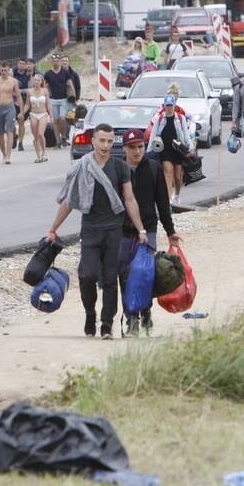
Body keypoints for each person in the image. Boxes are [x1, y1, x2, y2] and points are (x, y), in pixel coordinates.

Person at [47, 123, 147, 339]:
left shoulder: (120, 167)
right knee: (86, 275)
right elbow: (69, 202)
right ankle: (90, 313)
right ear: (93, 141)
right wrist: (54, 228)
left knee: (111, 279)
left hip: (113, 230)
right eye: (101, 140)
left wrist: (141, 228)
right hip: (90, 230)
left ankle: (106, 324)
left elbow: (129, 200)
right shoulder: (82, 166)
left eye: (110, 141)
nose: (105, 145)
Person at [119, 128, 179, 337]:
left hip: (148, 230)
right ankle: (131, 320)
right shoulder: (118, 170)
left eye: (140, 147)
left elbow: (163, 203)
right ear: (124, 148)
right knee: (125, 276)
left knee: (144, 274)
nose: (137, 152)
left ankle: (145, 311)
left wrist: (170, 231)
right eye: (132, 148)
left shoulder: (153, 168)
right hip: (123, 232)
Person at [145, 88, 195, 204]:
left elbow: (186, 135)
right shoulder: (160, 118)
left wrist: (191, 147)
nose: (169, 108)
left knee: (178, 176)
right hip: (165, 150)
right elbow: (153, 136)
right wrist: (148, 152)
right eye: (167, 105)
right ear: (164, 106)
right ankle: (168, 199)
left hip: (177, 149)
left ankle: (177, 194)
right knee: (168, 173)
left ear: (174, 105)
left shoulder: (180, 118)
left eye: (171, 105)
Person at [44, 54, 81, 148]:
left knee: (62, 118)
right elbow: (45, 87)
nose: (55, 62)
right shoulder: (48, 74)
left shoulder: (65, 72)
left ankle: (64, 136)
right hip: (53, 100)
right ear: (51, 62)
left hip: (63, 99)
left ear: (59, 61)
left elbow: (70, 85)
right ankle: (58, 141)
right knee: (55, 121)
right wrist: (45, 99)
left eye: (57, 61)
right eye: (54, 61)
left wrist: (74, 98)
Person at [26, 74, 51, 163]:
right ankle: (38, 155)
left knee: (40, 134)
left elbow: (48, 103)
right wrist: (22, 113)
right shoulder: (29, 91)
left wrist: (51, 115)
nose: (36, 82)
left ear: (41, 82)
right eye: (35, 80)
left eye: (38, 80)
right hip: (33, 114)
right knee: (35, 136)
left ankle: (44, 152)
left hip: (43, 113)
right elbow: (27, 105)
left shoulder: (45, 91)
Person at [13, 58, 33, 151]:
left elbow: (30, 90)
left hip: (24, 102)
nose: (21, 65)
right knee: (10, 121)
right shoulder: (13, 74)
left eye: (23, 64)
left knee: (21, 121)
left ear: (25, 65)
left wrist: (18, 91)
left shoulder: (29, 76)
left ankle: (20, 143)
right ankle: (14, 136)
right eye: (19, 63)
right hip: (12, 101)